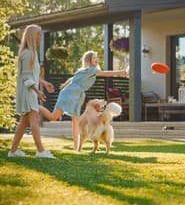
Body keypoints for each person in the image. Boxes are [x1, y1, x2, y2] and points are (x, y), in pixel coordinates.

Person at [39, 51, 128, 150]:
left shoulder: (83, 71)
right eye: (94, 58)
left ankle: (76, 147)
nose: (96, 60)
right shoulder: (92, 70)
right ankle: (37, 107)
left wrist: (65, 85)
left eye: (96, 58)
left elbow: (72, 79)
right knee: (59, 118)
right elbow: (105, 74)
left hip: (73, 95)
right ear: (89, 60)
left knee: (73, 121)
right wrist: (121, 72)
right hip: (71, 94)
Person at [9, 24, 56, 158]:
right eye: (39, 35)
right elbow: (26, 78)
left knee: (24, 121)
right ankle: (41, 151)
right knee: (34, 118)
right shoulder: (29, 54)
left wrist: (44, 83)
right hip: (28, 91)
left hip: (30, 90)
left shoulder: (31, 53)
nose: (41, 37)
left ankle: (13, 151)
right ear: (33, 37)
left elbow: (33, 75)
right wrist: (37, 91)